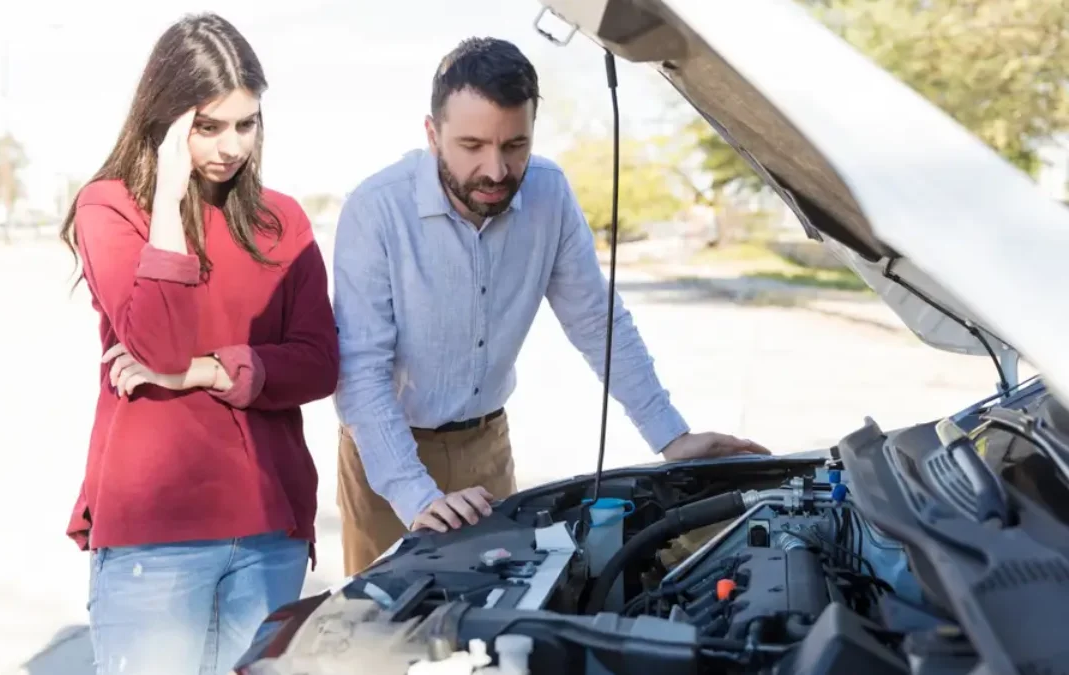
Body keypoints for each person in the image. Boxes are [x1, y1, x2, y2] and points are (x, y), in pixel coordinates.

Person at [331, 37, 770, 576]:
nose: (495, 170)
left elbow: (596, 321)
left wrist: (671, 436)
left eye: (515, 145)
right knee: (381, 632)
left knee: (492, 619)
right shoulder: (376, 209)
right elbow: (360, 369)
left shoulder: (550, 194)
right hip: (386, 455)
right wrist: (413, 493)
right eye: (471, 146)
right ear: (432, 134)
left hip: (488, 444)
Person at [57, 13, 338, 675]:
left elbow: (320, 363)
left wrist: (208, 372)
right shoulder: (110, 208)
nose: (230, 145)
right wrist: (168, 201)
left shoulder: (283, 220)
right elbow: (157, 343)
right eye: (207, 126)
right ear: (166, 118)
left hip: (271, 531)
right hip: (157, 537)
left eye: (246, 123)